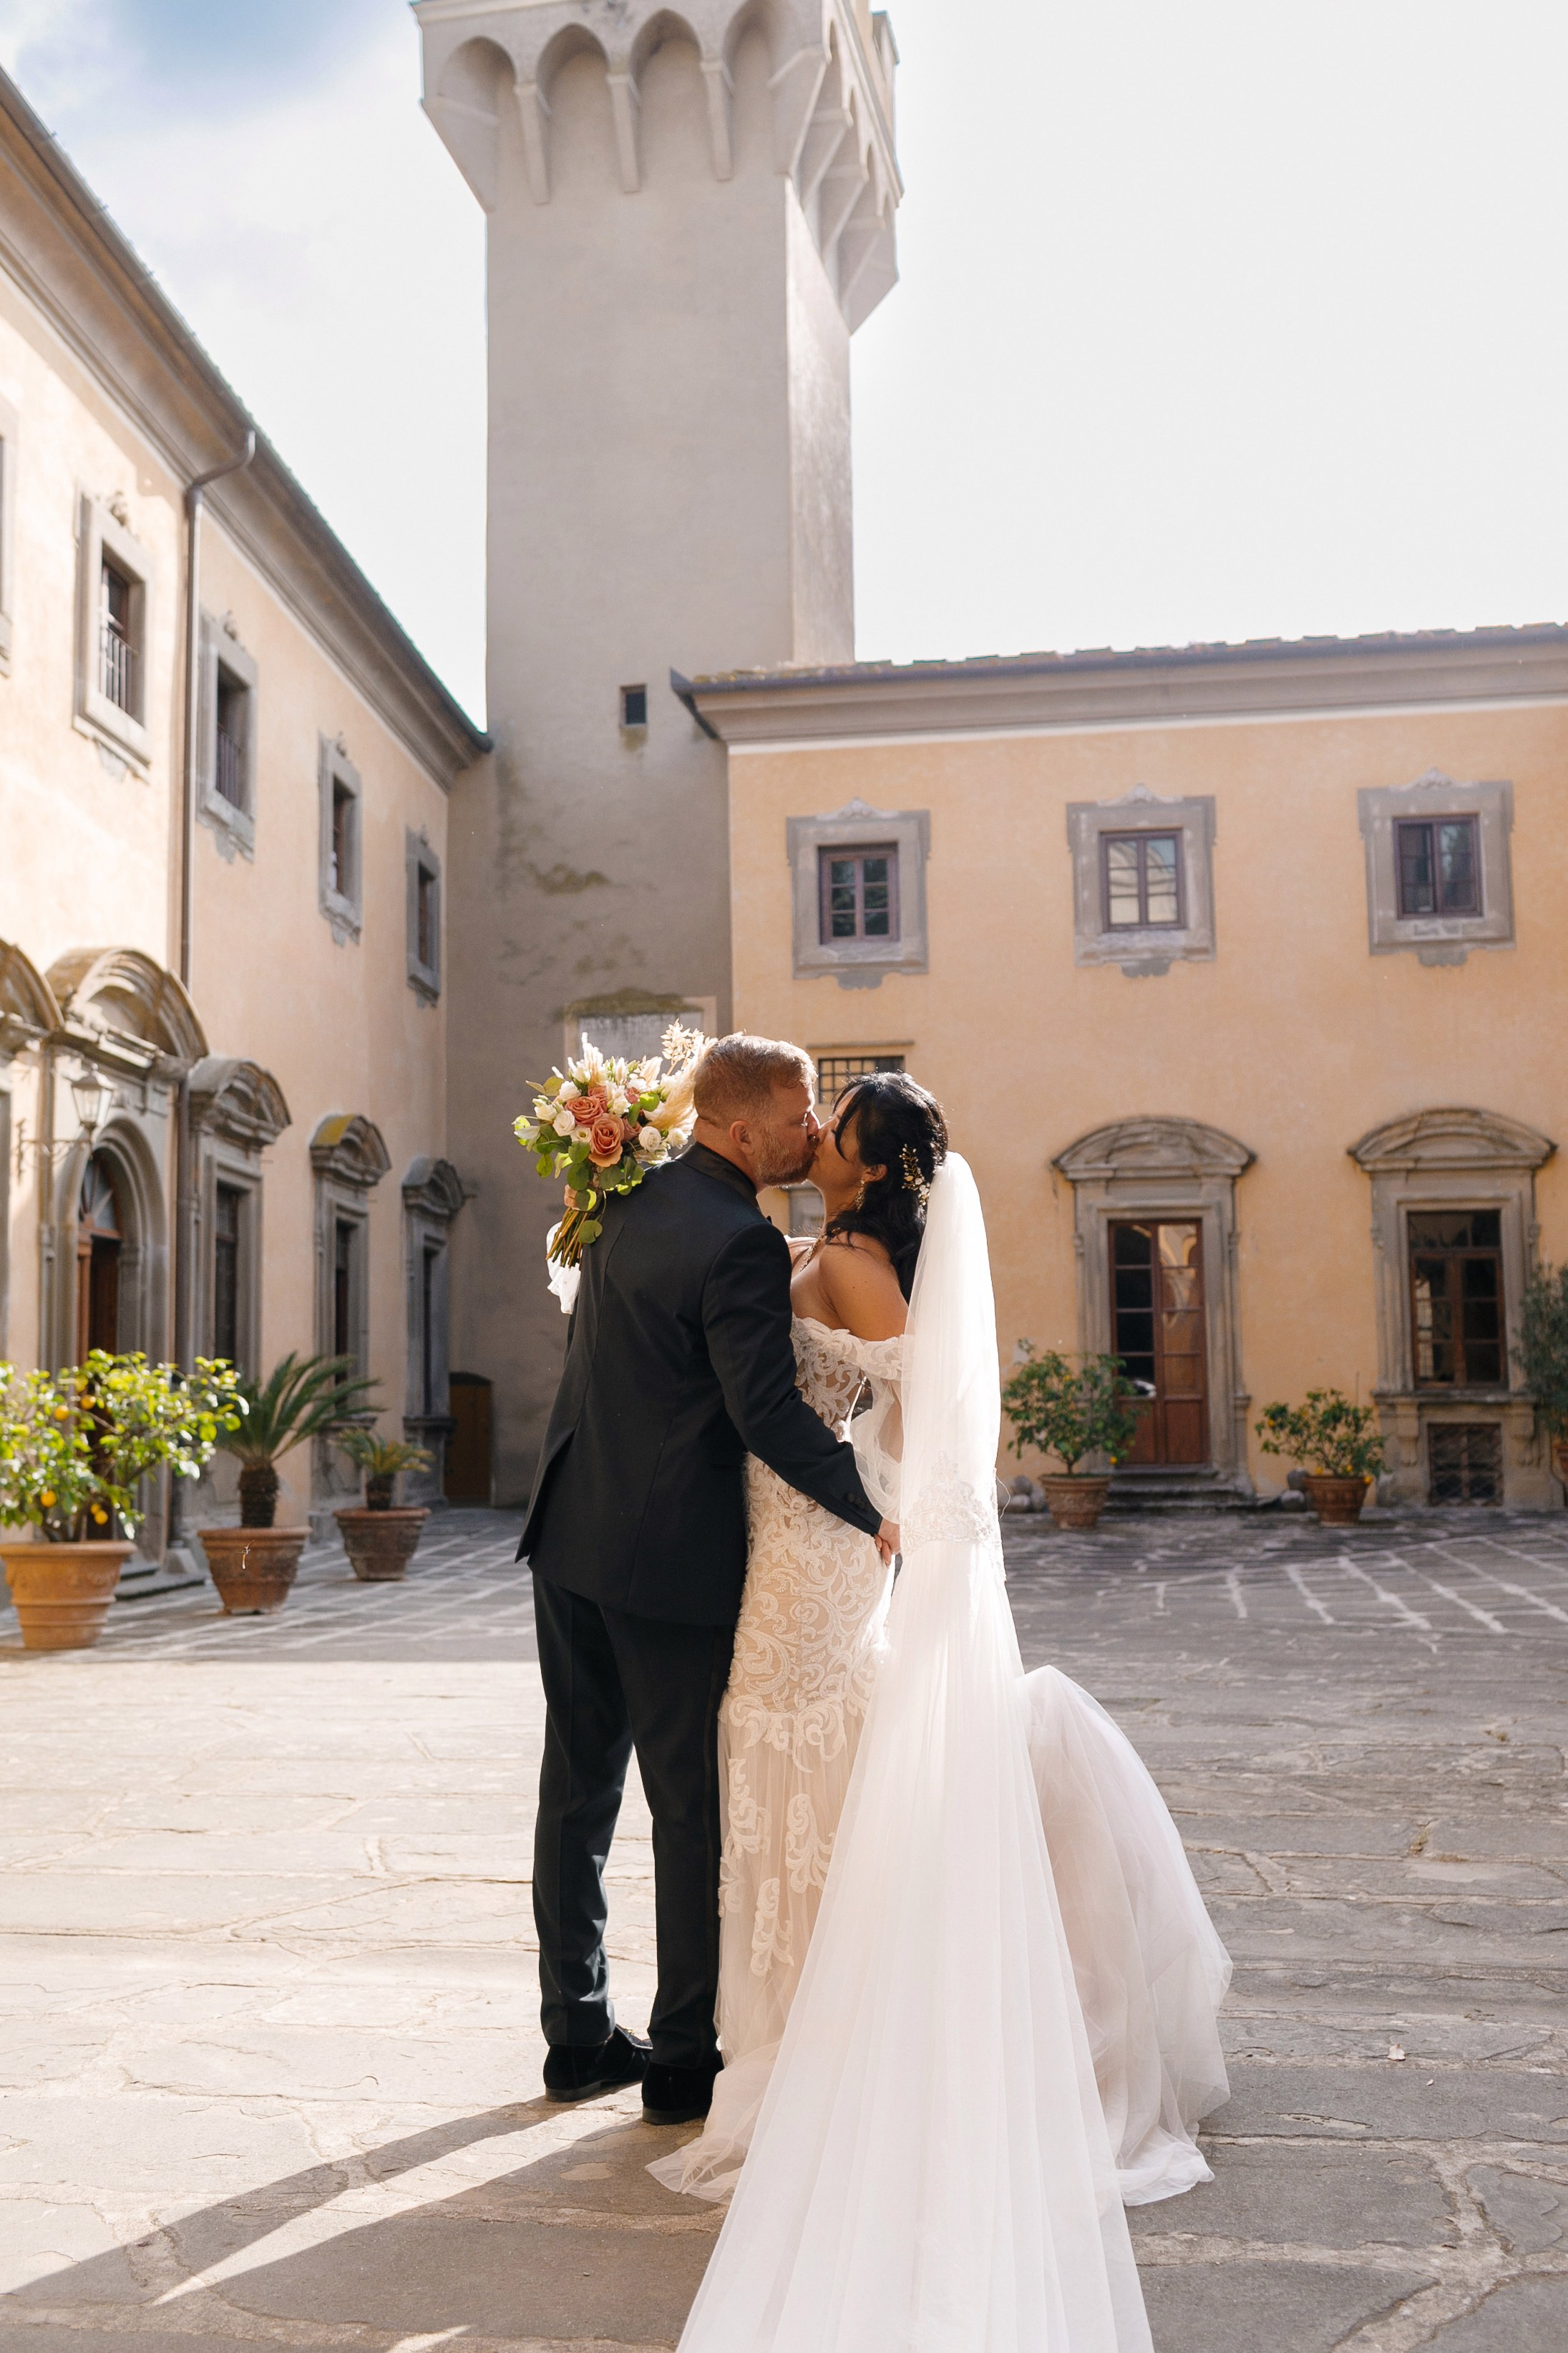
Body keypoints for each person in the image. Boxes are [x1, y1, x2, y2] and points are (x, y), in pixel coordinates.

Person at [655, 1074, 1232, 2352]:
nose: (816, 1133)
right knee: (795, 1752)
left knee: (793, 1743)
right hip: (795, 1534)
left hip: (814, 1543)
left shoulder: (854, 1262)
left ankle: (829, 2041)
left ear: (867, 1161)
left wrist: (903, 1525)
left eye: (835, 1124)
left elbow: (918, 1413)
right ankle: (812, 2025)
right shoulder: (832, 1245)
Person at [519, 1034, 898, 2128]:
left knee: (577, 1793)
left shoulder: (627, 1195)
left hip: (568, 1534)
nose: (813, 1129)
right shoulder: (741, 1238)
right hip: (664, 1562)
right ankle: (683, 2056)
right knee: (687, 1807)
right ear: (739, 1130)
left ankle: (575, 2035)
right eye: (796, 1112)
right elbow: (765, 1413)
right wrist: (873, 1506)